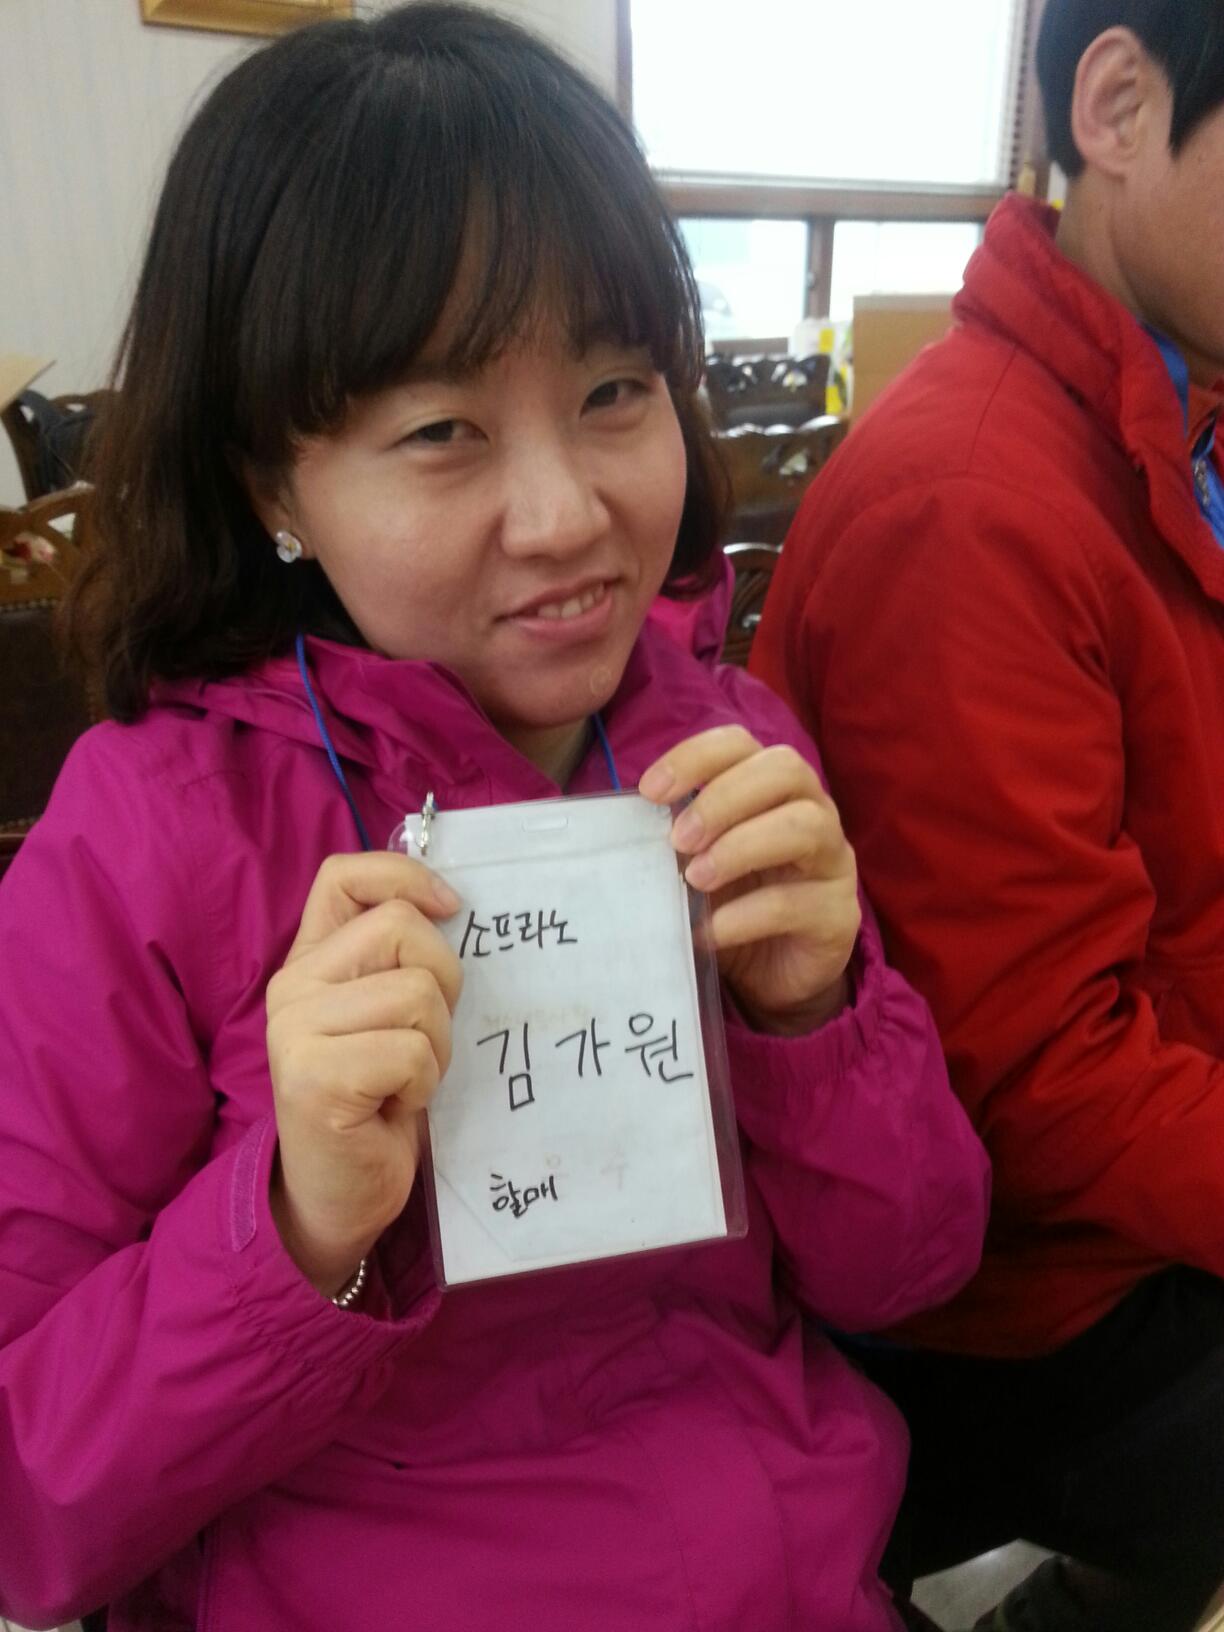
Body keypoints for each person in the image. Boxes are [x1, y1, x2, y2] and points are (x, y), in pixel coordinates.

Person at [0, 8, 989, 1629]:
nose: (566, 513)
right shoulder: (142, 843)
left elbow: (914, 1271)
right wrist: (297, 1223)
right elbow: (28, 1509)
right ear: (271, 482)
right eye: (443, 432)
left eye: (614, 390)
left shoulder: (727, 748)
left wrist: (812, 1021)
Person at [752, 2, 1224, 1628]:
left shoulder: (1171, 409)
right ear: (1118, 103)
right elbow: (1033, 1084)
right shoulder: (971, 505)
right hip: (1017, 1297)